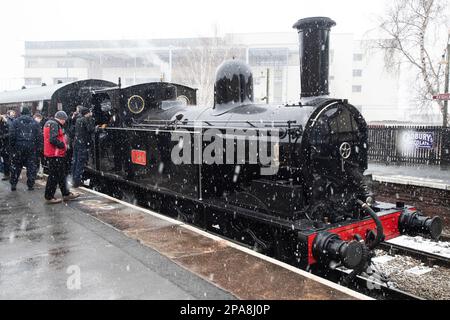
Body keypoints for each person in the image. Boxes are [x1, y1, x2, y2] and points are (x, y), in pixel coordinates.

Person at [43, 111, 79, 204]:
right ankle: (49, 196)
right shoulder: (54, 124)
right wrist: (63, 145)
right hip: (55, 154)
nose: (64, 122)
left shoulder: (49, 123)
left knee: (61, 175)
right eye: (64, 120)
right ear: (61, 119)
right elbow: (53, 139)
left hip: (53, 154)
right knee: (54, 176)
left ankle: (66, 193)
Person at [9, 107, 41, 191]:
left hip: (18, 147)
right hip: (31, 147)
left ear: (21, 113)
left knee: (16, 166)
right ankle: (30, 184)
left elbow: (12, 135)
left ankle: (13, 184)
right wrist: (38, 148)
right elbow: (39, 137)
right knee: (31, 166)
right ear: (29, 113)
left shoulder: (15, 122)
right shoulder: (35, 123)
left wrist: (12, 146)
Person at [71, 106, 95, 187]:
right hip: (82, 144)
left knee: (75, 161)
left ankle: (73, 179)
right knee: (80, 162)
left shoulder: (78, 119)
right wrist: (97, 127)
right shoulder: (85, 119)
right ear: (87, 113)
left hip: (77, 142)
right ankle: (77, 181)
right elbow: (90, 129)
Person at [33, 113, 44, 179]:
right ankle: (34, 175)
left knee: (36, 161)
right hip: (35, 146)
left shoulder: (37, 125)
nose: (40, 120)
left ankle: (35, 174)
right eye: (39, 119)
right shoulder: (35, 125)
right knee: (35, 161)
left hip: (37, 146)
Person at [0, 114, 10, 180]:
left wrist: (3, 136)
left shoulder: (5, 124)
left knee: (6, 160)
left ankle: (7, 174)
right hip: (2, 145)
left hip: (4, 145)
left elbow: (10, 133)